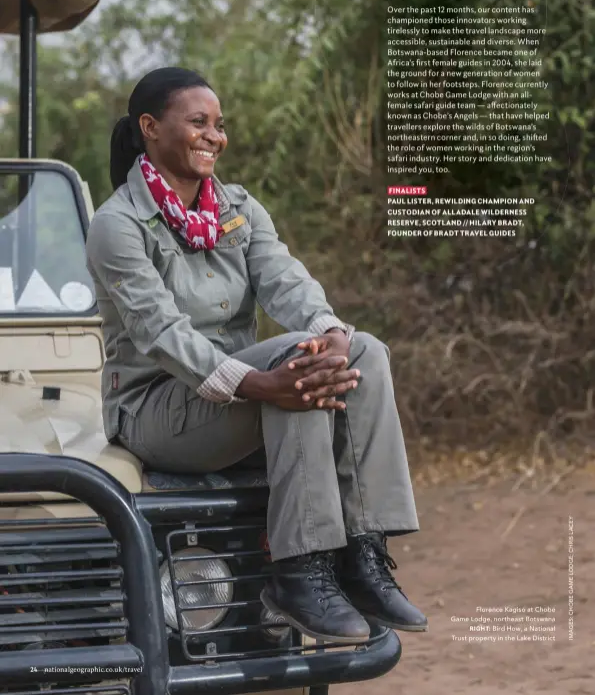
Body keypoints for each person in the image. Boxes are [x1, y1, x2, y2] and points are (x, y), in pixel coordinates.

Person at [85, 66, 427, 643]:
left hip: (239, 398)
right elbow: (162, 330)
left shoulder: (237, 208)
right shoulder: (117, 224)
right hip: (158, 410)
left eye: (219, 126)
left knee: (363, 350)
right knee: (292, 369)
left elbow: (285, 281)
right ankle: (300, 573)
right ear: (150, 127)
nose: (214, 137)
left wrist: (329, 330)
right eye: (198, 123)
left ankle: (364, 555)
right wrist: (260, 384)